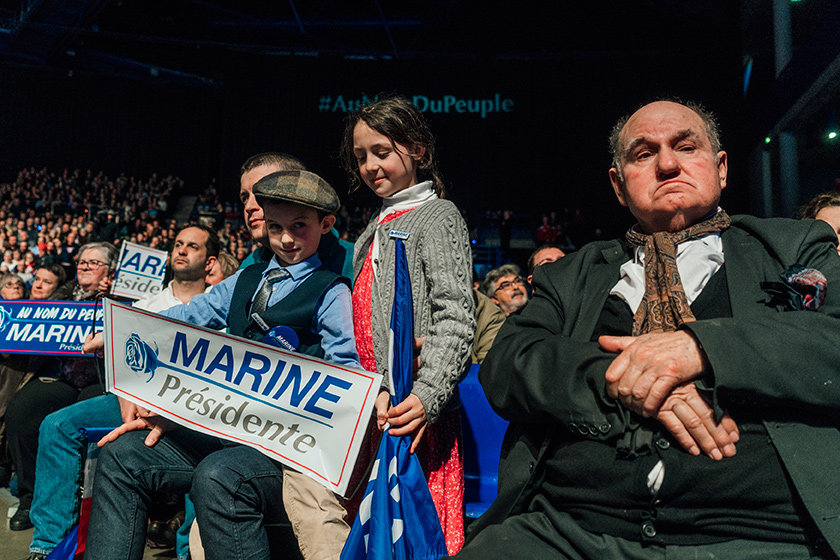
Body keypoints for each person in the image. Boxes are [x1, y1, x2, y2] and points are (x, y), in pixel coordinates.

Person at [453, 100, 840, 560]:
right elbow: (509, 362)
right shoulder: (573, 273)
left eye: (685, 147)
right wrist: (619, 377)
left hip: (760, 535)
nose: (668, 164)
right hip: (569, 530)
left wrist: (698, 348)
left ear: (721, 167)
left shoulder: (791, 246)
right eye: (643, 154)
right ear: (618, 186)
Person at [83, 170, 360, 560]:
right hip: (222, 427)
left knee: (219, 474)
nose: (285, 238)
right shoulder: (244, 279)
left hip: (280, 445)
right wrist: (117, 336)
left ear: (325, 224)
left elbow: (345, 368)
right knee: (121, 455)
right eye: (277, 226)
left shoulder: (331, 292)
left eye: (299, 227)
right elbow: (187, 316)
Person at [19, 225, 219, 560]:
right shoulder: (145, 304)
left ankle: (187, 550)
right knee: (56, 426)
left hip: (192, 411)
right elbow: (123, 362)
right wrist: (129, 396)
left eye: (192, 246)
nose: (182, 251)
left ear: (209, 261)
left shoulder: (220, 306)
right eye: (178, 244)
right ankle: (49, 548)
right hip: (136, 402)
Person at [343, 95, 475, 554]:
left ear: (417, 149)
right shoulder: (372, 227)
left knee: (416, 540)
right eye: (361, 157)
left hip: (414, 417)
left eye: (382, 151)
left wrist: (427, 394)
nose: (370, 165)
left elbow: (455, 318)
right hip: (375, 409)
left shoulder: (438, 216)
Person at [6, 242, 117, 532]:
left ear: (110, 270)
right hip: (64, 377)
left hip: (103, 380)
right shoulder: (66, 294)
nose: (84, 266)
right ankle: (30, 497)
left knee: (83, 416)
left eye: (93, 263)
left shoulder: (120, 296)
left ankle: (87, 508)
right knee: (22, 410)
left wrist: (112, 296)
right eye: (82, 261)